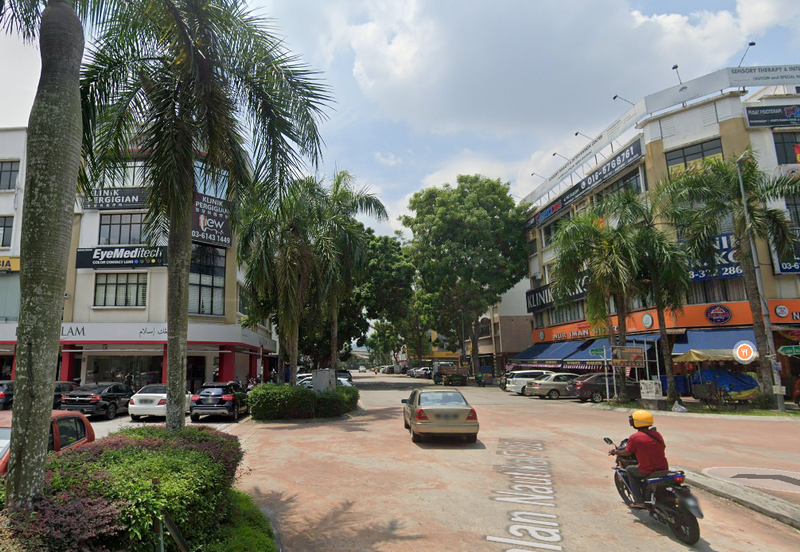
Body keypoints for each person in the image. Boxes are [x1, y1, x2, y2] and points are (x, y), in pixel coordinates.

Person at [608, 410, 669, 509]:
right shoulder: (657, 434)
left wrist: (616, 452)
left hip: (647, 470)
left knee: (629, 470)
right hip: (663, 468)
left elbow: (627, 452)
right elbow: (662, 447)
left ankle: (639, 501)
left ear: (635, 422)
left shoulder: (635, 437)